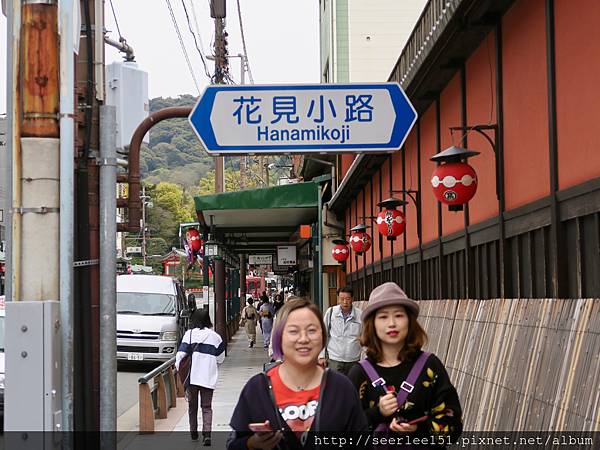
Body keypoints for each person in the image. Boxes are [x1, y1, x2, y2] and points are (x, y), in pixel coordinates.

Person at [227, 298, 368, 450]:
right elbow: (234, 444)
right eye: (293, 331)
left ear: (323, 337)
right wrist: (252, 444)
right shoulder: (257, 389)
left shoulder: (341, 388)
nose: (303, 339)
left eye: (312, 330)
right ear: (279, 337)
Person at [348, 282, 462, 444]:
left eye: (399, 315)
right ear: (371, 325)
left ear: (409, 321)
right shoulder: (359, 374)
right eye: (383, 317)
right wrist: (378, 412)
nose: (392, 323)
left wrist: (418, 429)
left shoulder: (430, 366)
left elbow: (454, 426)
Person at [176, 309, 225, 445]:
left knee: (192, 407)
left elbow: (180, 355)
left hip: (192, 377)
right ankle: (207, 434)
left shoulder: (189, 334)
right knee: (207, 406)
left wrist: (180, 370)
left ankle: (193, 432)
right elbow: (221, 358)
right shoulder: (215, 337)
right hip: (208, 376)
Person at [318, 286, 362, 376]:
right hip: (334, 359)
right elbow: (323, 334)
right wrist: (321, 356)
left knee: (352, 386)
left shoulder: (360, 314)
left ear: (352, 299)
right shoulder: (330, 313)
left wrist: (364, 359)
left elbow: (365, 336)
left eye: (348, 299)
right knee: (334, 386)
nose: (345, 302)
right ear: (338, 299)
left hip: (353, 359)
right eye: (342, 299)